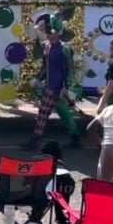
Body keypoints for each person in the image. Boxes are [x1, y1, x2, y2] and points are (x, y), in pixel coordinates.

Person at [27, 15, 79, 149]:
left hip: (58, 86)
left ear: (56, 33)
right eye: (46, 33)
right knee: (63, 113)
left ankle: (35, 139)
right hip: (50, 85)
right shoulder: (47, 46)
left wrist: (65, 87)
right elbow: (46, 67)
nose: (47, 35)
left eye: (49, 33)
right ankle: (75, 137)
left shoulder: (64, 49)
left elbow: (69, 70)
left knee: (44, 112)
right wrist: (38, 79)